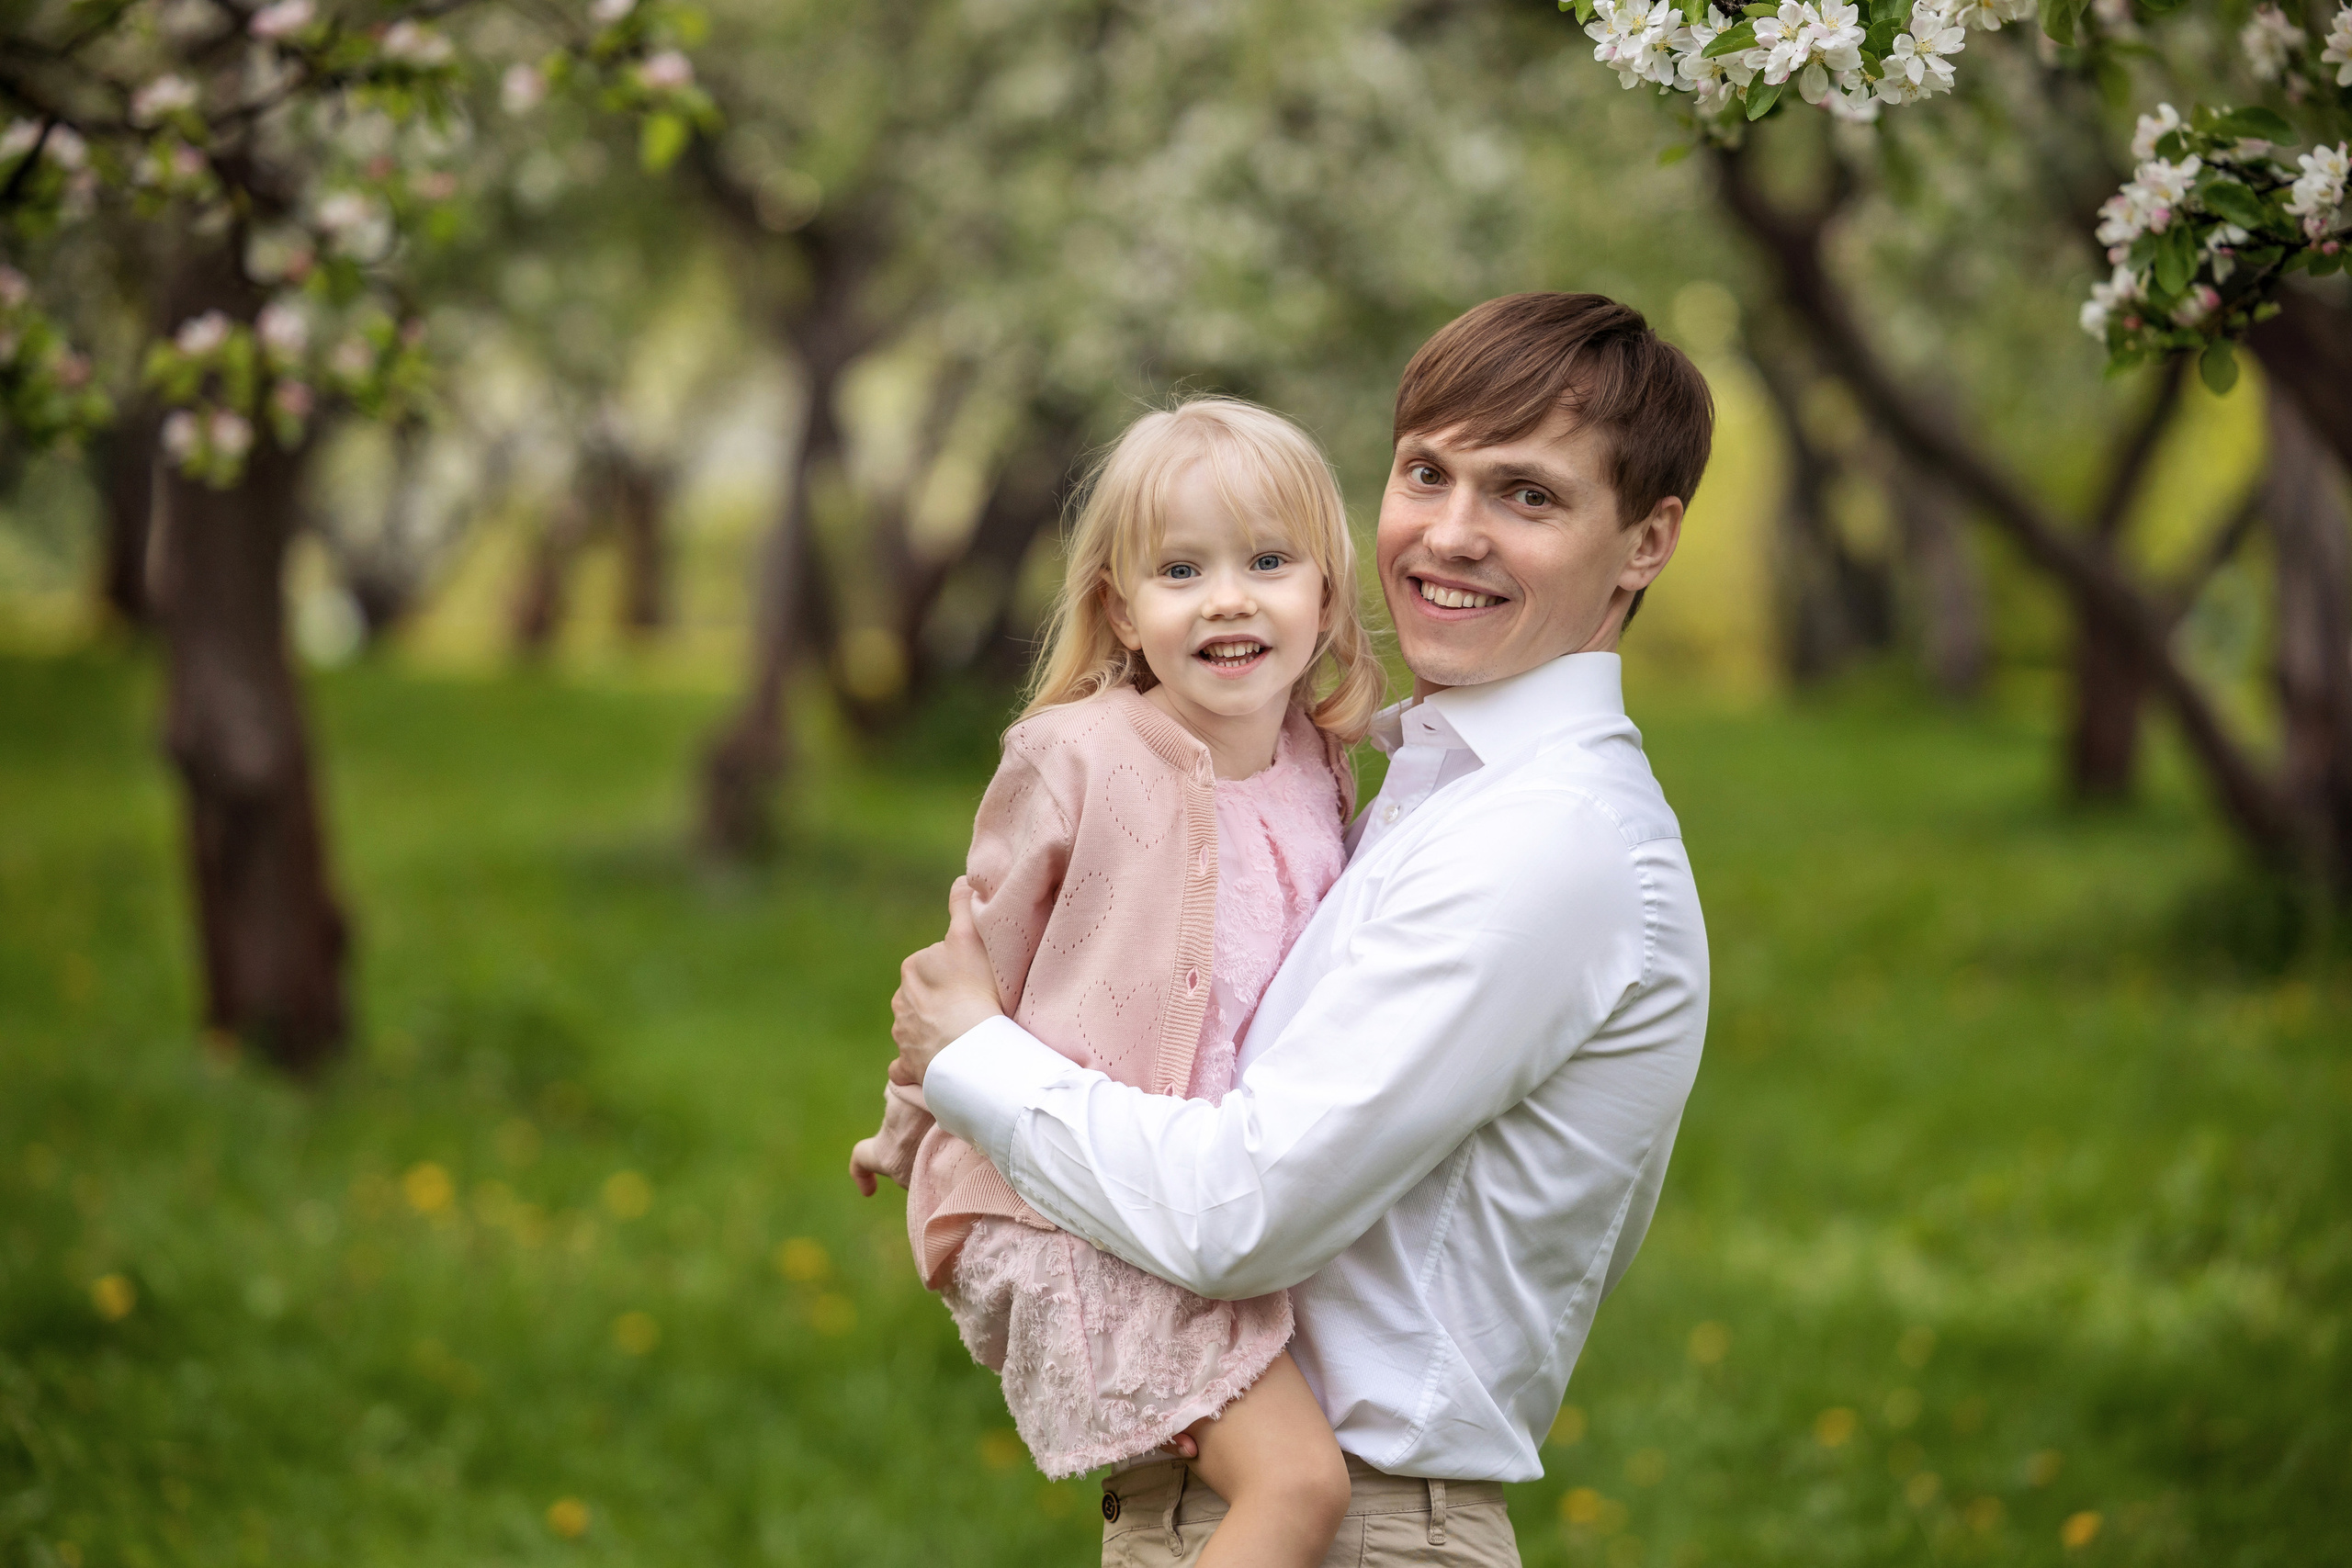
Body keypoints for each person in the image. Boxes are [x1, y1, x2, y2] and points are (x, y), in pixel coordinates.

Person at [887, 293, 1715, 1566]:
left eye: (1526, 496)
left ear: (1645, 540)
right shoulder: (1409, 787)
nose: (1450, 532)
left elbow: (1243, 1212)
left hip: (1356, 1525)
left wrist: (969, 1053)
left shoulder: (1551, 841)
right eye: (1426, 471)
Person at [851, 396, 1388, 1567]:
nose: (1229, 597)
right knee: (1297, 1488)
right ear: (1123, 611)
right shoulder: (1076, 757)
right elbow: (969, 961)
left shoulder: (1320, 768)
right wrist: (902, 1122)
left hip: (1184, 1194)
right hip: (1062, 1210)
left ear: (1326, 598)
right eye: (1182, 569)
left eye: (1267, 561)